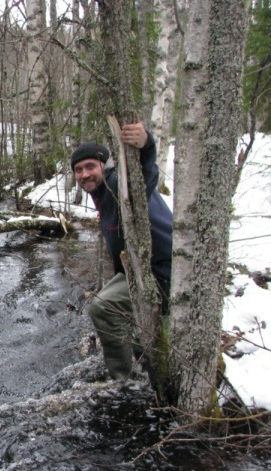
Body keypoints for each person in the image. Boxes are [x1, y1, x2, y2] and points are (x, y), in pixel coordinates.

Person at [70, 121, 173, 380]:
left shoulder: (119, 186)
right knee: (126, 319)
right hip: (144, 271)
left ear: (105, 166)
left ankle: (122, 382)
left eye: (91, 166)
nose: (84, 174)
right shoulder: (102, 195)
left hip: (165, 273)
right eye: (78, 170)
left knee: (102, 307)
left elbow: (145, 175)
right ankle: (142, 362)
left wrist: (147, 144)